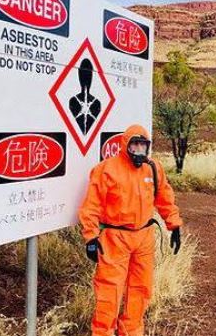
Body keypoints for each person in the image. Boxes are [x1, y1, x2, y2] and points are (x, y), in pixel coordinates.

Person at [78, 124, 183, 336]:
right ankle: (103, 332)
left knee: (141, 288)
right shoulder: (106, 170)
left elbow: (164, 197)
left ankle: (131, 330)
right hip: (114, 238)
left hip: (144, 237)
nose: (139, 150)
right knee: (109, 290)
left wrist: (174, 225)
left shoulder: (153, 169)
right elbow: (91, 206)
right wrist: (91, 237)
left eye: (143, 145)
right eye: (134, 145)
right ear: (125, 145)